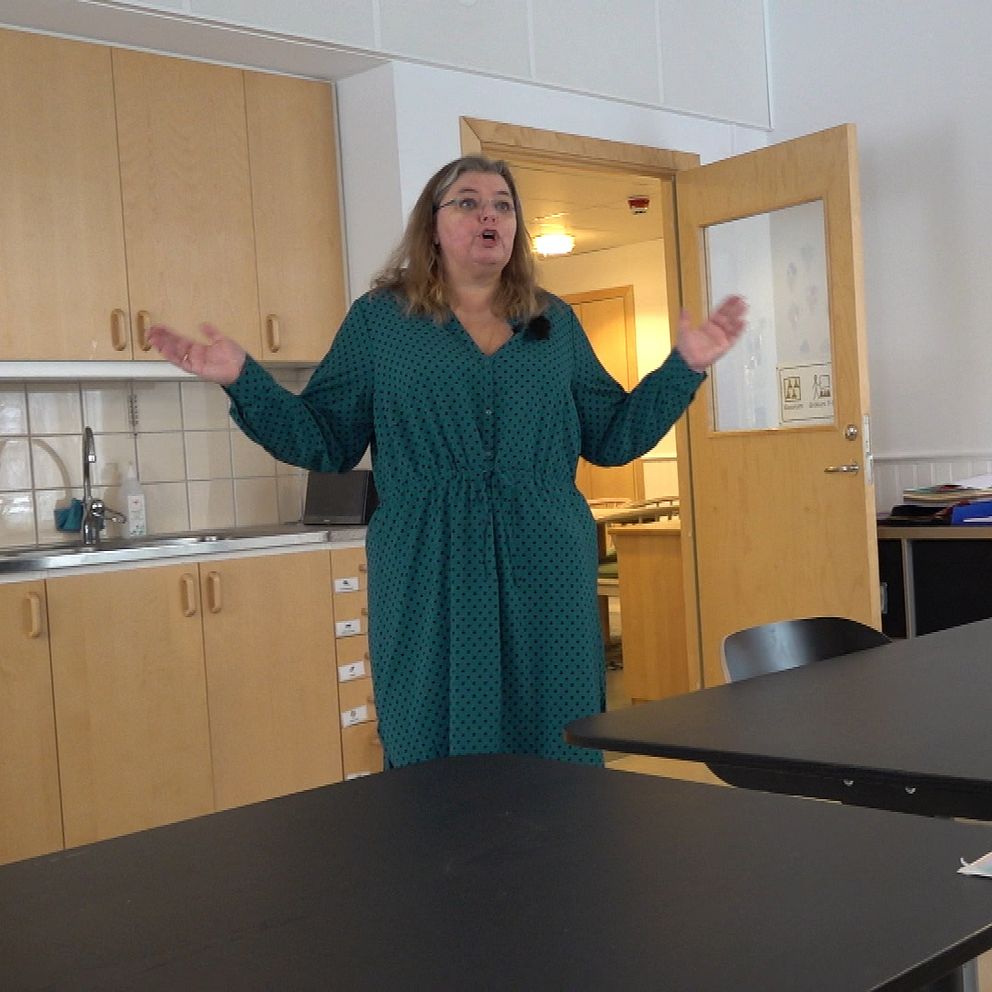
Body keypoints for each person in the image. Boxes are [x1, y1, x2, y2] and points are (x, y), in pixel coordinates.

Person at [148, 154, 746, 768]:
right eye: (468, 202)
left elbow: (612, 437)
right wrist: (243, 379)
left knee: (557, 729)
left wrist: (684, 368)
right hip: (425, 561)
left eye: (503, 205)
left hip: (546, 561)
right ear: (431, 226)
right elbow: (325, 440)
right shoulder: (381, 322)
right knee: (427, 726)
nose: (490, 215)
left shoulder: (554, 322)